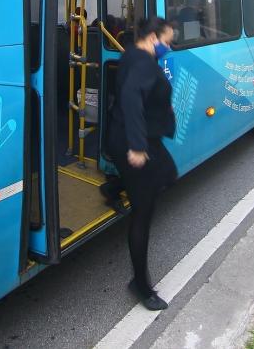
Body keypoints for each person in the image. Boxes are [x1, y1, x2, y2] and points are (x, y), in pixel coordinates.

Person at [105, 16, 177, 311]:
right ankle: (141, 285)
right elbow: (132, 96)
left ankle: (114, 187)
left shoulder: (131, 54)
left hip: (129, 135)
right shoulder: (145, 63)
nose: (169, 47)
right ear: (152, 38)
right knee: (143, 213)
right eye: (168, 41)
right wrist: (137, 146)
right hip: (135, 142)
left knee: (169, 173)